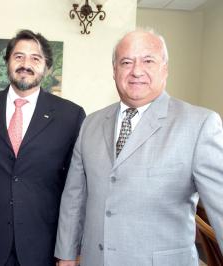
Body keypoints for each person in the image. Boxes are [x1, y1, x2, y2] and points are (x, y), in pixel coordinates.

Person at [55, 28, 223, 266]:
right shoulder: (91, 123)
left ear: (165, 68)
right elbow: (74, 196)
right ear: (114, 71)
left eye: (148, 60)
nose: (136, 71)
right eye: (126, 62)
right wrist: (66, 255)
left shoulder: (200, 124)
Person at [0, 29, 85, 266]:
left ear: (46, 68)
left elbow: (76, 188)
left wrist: (69, 249)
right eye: (18, 56)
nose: (26, 64)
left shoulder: (70, 116)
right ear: (7, 61)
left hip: (43, 244)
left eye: (35, 58)